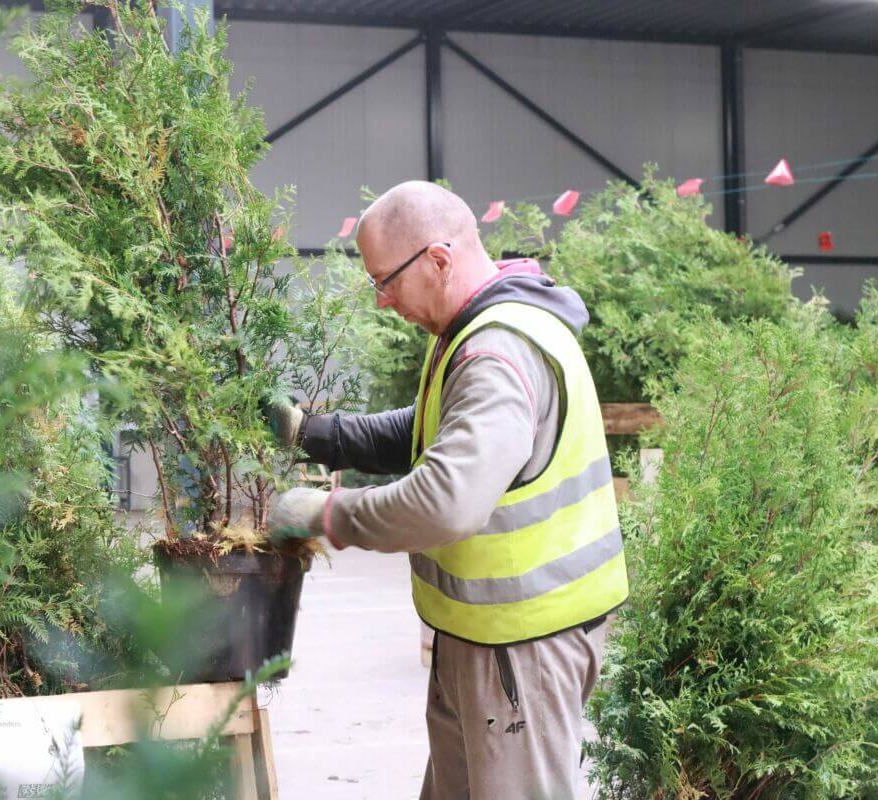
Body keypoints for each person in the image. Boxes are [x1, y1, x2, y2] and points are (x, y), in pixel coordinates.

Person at [265, 181, 628, 800]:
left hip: (522, 650)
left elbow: (445, 501)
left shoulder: (496, 353)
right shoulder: (480, 326)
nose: (382, 302)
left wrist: (325, 514)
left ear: (437, 259)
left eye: (386, 281)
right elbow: (430, 427)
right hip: (488, 640)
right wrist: (318, 435)